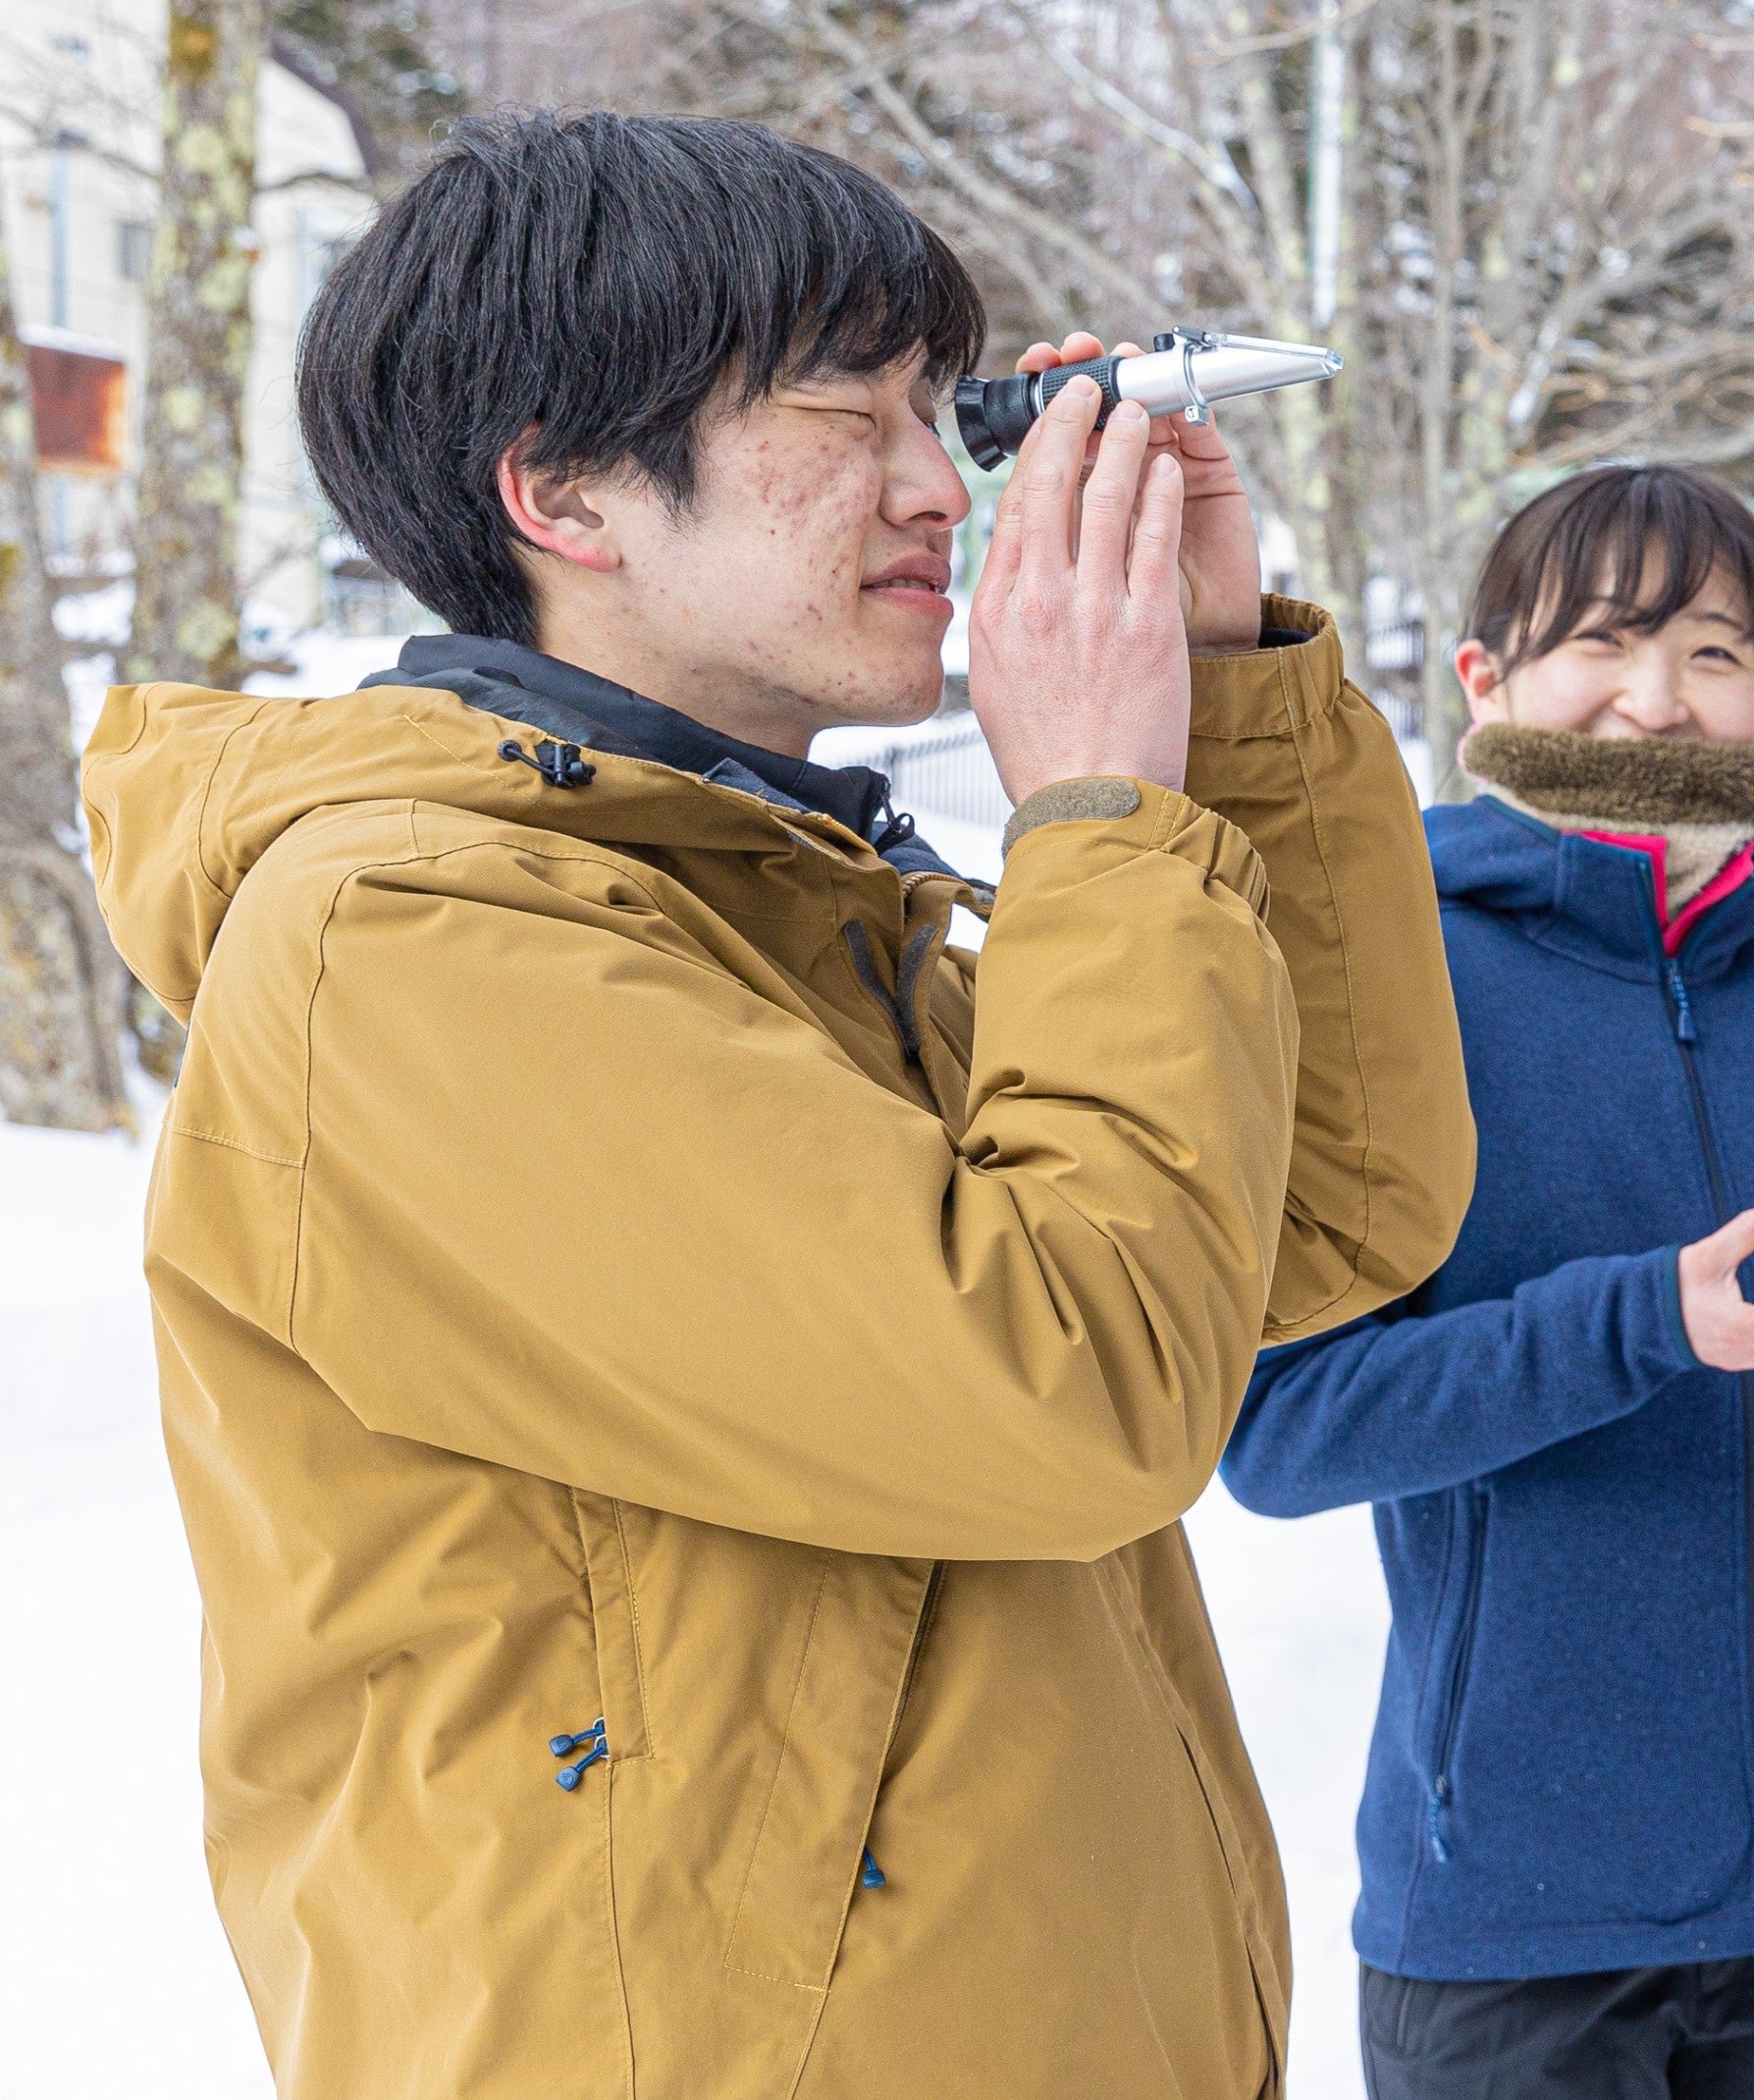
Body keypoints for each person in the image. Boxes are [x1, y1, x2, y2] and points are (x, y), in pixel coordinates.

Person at [80, 110, 1474, 2098]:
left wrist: (1225, 686)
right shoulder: (410, 940)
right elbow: (1071, 1387)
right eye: (848, 412)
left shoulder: (777, 904)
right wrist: (1101, 815)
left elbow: (1328, 1209)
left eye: (943, 408)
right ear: (563, 490)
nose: (942, 487)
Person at [1219, 465, 1754, 2098]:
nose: (1656, 698)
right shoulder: (1397, 989)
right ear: (1485, 680)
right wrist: (1644, 1322)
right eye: (1603, 639)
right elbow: (1284, 1434)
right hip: (1517, 1920)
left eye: (1715, 654)